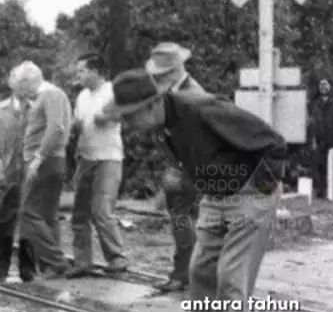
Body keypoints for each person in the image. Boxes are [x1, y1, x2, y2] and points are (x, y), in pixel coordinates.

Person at [102, 67, 287, 312]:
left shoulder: (202, 109)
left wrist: (258, 190)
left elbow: (273, 142)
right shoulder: (162, 127)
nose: (129, 125)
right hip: (216, 197)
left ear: (153, 104)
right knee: (200, 274)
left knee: (231, 282)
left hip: (249, 195)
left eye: (131, 116)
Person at [143, 43, 207, 294]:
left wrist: (177, 172)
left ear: (173, 71)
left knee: (182, 218)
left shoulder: (190, 95)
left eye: (160, 75)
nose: (156, 80)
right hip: (181, 165)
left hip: (188, 166)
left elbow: (193, 140)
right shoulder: (176, 92)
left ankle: (185, 274)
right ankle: (191, 273)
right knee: (184, 219)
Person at [67, 53, 128, 278]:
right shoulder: (82, 96)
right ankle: (82, 262)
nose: (78, 75)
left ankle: (117, 258)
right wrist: (73, 127)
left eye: (82, 70)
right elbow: (79, 122)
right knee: (79, 212)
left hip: (108, 158)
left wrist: (108, 118)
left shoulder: (112, 91)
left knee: (101, 210)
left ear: (95, 71)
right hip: (85, 157)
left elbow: (126, 114)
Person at [11, 61, 71, 278]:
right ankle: (51, 265)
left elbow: (56, 128)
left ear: (28, 81)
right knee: (47, 215)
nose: (21, 92)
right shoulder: (42, 98)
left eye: (21, 87)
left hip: (45, 161)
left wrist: (38, 157)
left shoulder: (50, 95)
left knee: (28, 212)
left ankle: (55, 260)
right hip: (47, 160)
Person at [0, 84, 36, 281]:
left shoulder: (36, 109)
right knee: (5, 219)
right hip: (8, 171)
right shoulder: (2, 110)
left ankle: (27, 269)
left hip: (30, 171)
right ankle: (1, 268)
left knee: (29, 218)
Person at [310, 78, 333, 198]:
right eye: (321, 85)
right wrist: (313, 139)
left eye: (325, 85)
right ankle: (321, 190)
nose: (323, 87)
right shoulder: (316, 104)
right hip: (319, 139)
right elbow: (313, 123)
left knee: (332, 165)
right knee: (320, 165)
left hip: (332, 139)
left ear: (329, 87)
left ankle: (332, 190)